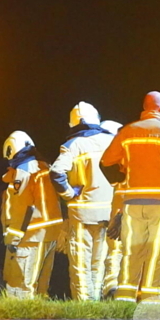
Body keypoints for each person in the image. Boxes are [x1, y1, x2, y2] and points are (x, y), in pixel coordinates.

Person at [100, 92, 160, 303]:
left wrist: (121, 178)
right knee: (158, 251)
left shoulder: (127, 132)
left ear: (144, 106)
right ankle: (151, 300)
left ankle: (125, 298)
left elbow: (106, 162)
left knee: (132, 250)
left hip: (132, 201)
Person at [50, 102, 115, 300]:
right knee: (99, 261)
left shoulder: (74, 144)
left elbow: (56, 172)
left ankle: (84, 305)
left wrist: (69, 194)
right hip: (108, 212)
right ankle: (95, 302)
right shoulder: (112, 141)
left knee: (81, 263)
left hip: (82, 213)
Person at [1, 131, 62, 299]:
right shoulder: (44, 166)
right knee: (41, 285)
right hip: (50, 235)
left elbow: (22, 207)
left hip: (31, 236)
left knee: (22, 285)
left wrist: (13, 238)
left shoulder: (24, 171)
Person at [99, 120, 124, 299]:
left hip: (101, 213)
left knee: (110, 252)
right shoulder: (119, 157)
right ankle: (113, 289)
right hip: (115, 211)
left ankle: (109, 289)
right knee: (117, 251)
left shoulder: (105, 157)